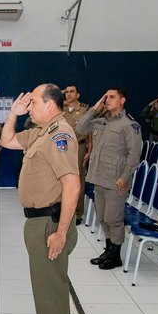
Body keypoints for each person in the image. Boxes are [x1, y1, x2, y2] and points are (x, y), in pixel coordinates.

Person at [1, 83, 79, 314]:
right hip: (38, 221)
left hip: (50, 223)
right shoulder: (41, 132)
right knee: (47, 286)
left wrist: (60, 232)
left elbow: (72, 185)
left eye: (33, 102)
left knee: (50, 289)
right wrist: (14, 113)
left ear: (50, 104)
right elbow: (7, 140)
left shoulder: (60, 135)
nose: (29, 106)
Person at [78, 87, 143, 270]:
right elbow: (80, 127)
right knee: (102, 217)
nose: (107, 100)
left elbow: (134, 154)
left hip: (116, 179)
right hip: (98, 176)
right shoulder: (100, 121)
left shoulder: (129, 125)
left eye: (112, 97)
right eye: (106, 97)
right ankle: (108, 250)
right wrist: (95, 108)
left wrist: (125, 177)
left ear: (122, 100)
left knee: (114, 218)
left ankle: (116, 255)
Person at [63, 85, 91, 224]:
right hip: (61, 148)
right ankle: (62, 211)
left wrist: (89, 150)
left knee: (77, 180)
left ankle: (77, 213)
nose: (69, 94)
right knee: (61, 179)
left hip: (78, 148)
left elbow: (90, 132)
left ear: (78, 95)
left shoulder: (84, 110)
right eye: (67, 92)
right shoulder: (60, 109)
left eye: (72, 92)